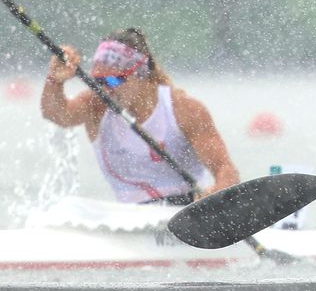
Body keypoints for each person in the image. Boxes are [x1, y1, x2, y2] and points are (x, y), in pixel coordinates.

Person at [41, 28, 241, 204]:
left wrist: (217, 194)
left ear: (140, 74)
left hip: (185, 211)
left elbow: (226, 171)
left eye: (112, 80)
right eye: (97, 81)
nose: (104, 89)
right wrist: (54, 81)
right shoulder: (96, 104)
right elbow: (57, 115)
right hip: (131, 220)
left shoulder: (184, 110)